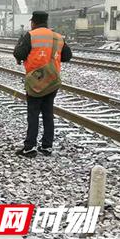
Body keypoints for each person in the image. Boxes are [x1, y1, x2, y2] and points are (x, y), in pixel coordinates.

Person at [13, 11, 72, 158]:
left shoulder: (31, 35)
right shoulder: (58, 37)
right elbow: (67, 56)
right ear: (46, 21)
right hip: (52, 79)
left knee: (33, 113)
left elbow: (19, 54)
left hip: (36, 80)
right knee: (48, 113)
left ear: (33, 22)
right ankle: (47, 146)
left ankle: (29, 147)